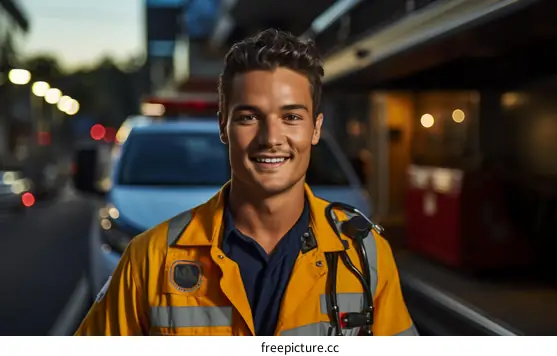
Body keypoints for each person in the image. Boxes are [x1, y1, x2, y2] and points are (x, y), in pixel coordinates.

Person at [75, 28, 418, 336]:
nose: (271, 137)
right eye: (250, 117)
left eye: (291, 117)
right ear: (223, 126)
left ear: (315, 128)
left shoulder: (365, 253)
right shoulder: (149, 258)